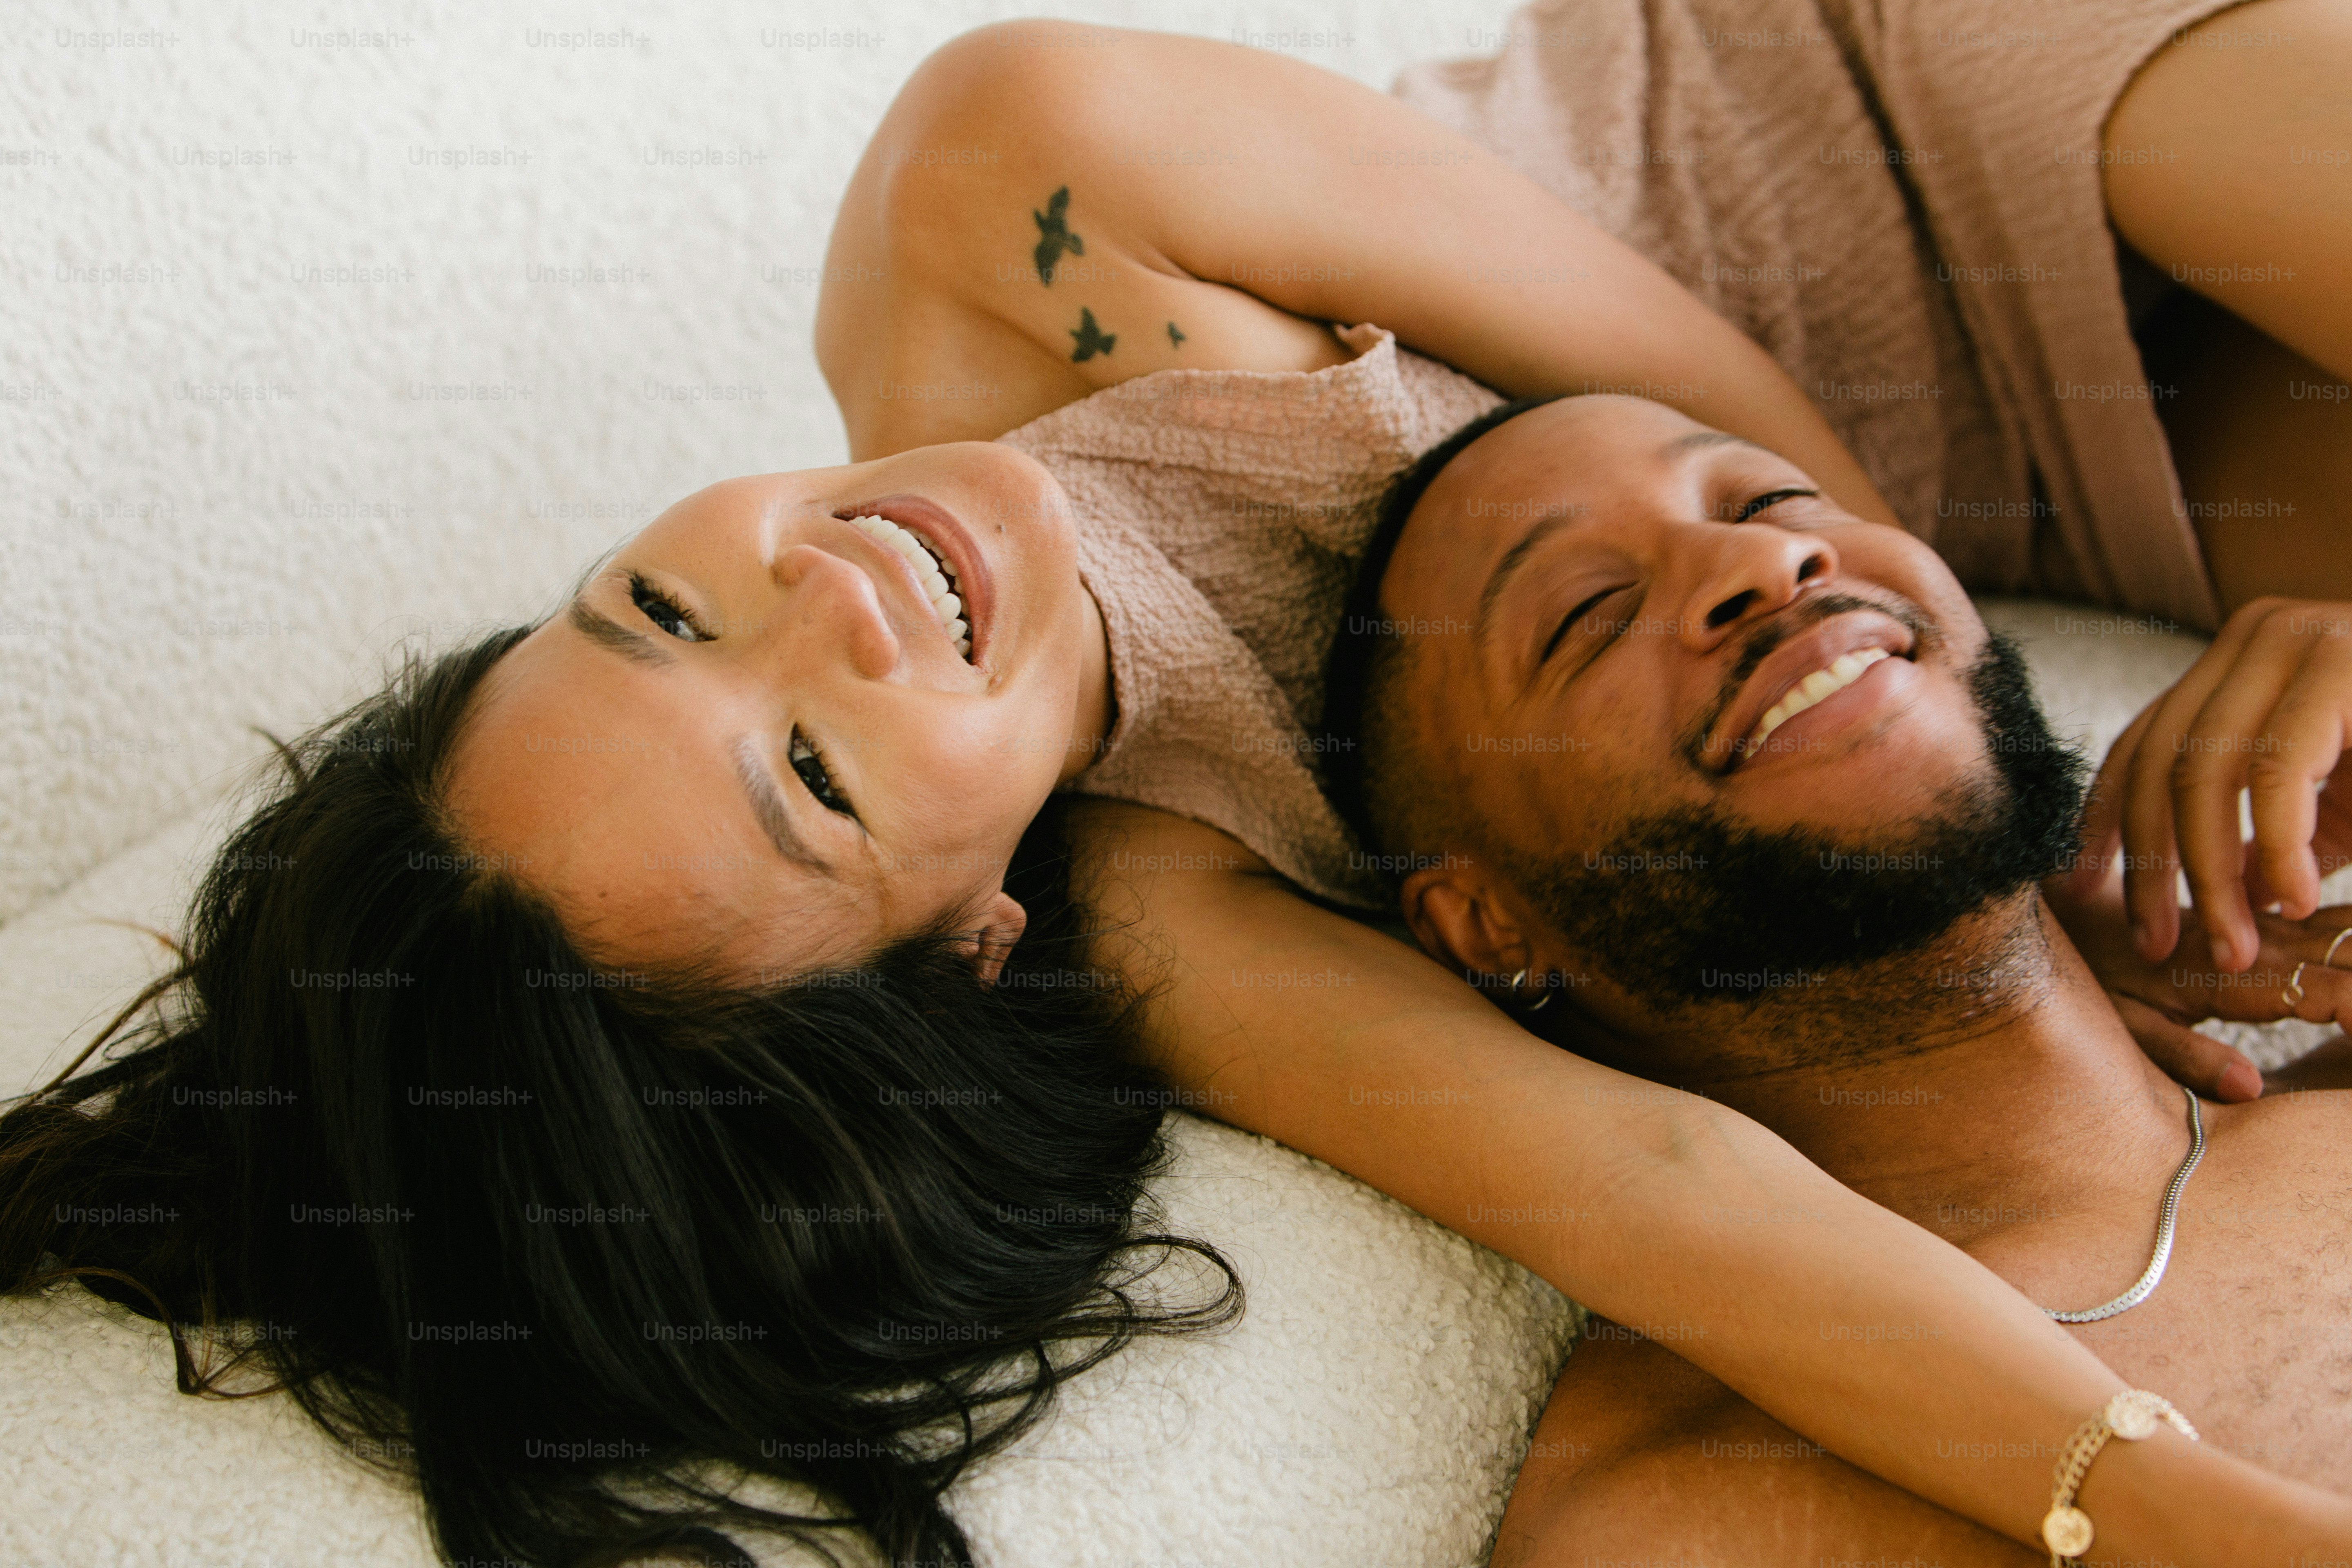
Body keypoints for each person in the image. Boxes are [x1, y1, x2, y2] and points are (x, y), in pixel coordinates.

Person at [8, 15, 2350, 1568]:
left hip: (1900, 113)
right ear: (960, 937)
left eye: (653, 604)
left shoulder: (1017, 179)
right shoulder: (1165, 901)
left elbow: (1758, 489)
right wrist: (2203, 1526)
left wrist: (2018, 867)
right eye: (815, 779)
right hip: (2068, 473)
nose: (825, 600)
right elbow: (1656, 1193)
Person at [1314, 384, 2352, 1564]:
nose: (1764, 559)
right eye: (1590, 616)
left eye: (1770, 497)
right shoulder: (1694, 1519)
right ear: (1487, 926)